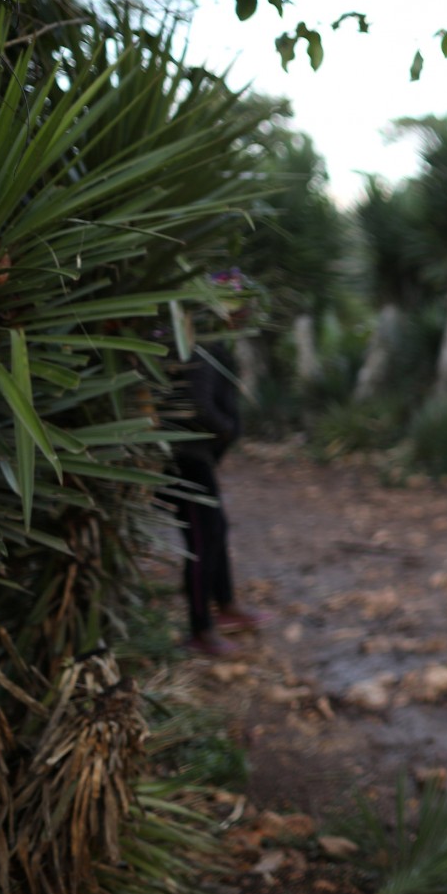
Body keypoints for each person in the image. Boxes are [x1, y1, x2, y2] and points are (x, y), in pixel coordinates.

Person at [169, 269, 268, 656]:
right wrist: (226, 429)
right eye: (239, 304)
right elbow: (198, 405)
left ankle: (224, 605)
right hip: (186, 459)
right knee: (200, 540)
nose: (244, 313)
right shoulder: (202, 346)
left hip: (197, 457)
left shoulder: (208, 343)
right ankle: (200, 629)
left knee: (215, 530)